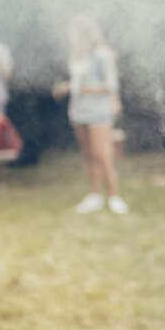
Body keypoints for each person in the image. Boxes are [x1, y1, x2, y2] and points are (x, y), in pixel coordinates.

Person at [52, 15, 128, 214]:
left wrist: (92, 91)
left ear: (83, 33)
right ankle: (94, 196)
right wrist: (65, 87)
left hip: (98, 111)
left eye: (73, 32)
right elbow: (78, 82)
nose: (71, 36)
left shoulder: (102, 54)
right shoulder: (76, 55)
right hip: (79, 110)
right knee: (88, 154)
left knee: (102, 154)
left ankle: (114, 197)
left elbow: (111, 84)